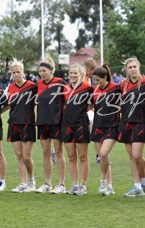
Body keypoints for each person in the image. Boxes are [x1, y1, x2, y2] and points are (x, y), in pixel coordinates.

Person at [119, 57, 145, 197]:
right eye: (130, 67)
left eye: (134, 67)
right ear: (126, 70)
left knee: (137, 155)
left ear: (138, 67)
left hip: (141, 122)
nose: (132, 69)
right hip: (126, 122)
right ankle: (137, 186)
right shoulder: (123, 84)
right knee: (131, 156)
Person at [5, 59, 37, 193]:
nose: (16, 74)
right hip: (13, 123)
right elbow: (7, 104)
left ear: (23, 72)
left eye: (18, 72)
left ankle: (31, 180)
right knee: (18, 155)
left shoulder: (32, 86)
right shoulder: (10, 87)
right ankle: (23, 182)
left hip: (27, 123)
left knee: (26, 156)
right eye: (14, 72)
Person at [35, 55, 66, 194]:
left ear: (51, 70)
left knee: (58, 152)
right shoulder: (39, 84)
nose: (41, 73)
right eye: (40, 71)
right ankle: (47, 183)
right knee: (46, 153)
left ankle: (61, 184)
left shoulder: (60, 82)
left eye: (44, 71)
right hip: (42, 121)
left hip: (57, 121)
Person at [61, 63, 93, 195]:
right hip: (67, 125)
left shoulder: (87, 88)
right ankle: (74, 184)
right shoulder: (65, 89)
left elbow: (92, 105)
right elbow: (64, 107)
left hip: (81, 125)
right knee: (71, 157)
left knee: (83, 157)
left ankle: (83, 185)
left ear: (81, 74)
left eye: (75, 73)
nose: (72, 75)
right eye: (71, 73)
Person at [91, 64, 121, 196]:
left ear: (105, 77)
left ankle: (102, 182)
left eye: (98, 80)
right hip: (98, 126)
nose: (95, 83)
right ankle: (109, 186)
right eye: (94, 80)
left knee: (103, 154)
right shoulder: (95, 90)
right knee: (103, 158)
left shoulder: (116, 88)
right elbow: (91, 106)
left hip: (112, 126)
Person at [83, 58, 99, 163]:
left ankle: (98, 155)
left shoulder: (88, 78)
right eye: (90, 69)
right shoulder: (81, 77)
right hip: (82, 108)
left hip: (88, 107)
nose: (91, 72)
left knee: (94, 129)